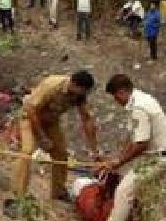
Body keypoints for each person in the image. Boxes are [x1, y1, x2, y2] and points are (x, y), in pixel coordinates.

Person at [96, 74, 166, 221]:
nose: (116, 101)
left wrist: (116, 162)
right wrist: (116, 161)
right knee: (134, 186)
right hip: (154, 153)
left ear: (123, 91)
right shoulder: (137, 100)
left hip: (159, 157)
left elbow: (140, 144)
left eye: (116, 96)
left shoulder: (139, 108)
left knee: (124, 191)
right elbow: (133, 139)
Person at [8, 71, 99, 208]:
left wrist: (94, 151)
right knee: (27, 152)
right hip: (30, 118)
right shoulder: (52, 85)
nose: (81, 95)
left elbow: (87, 119)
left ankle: (58, 192)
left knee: (61, 153)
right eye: (81, 91)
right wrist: (42, 138)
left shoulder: (79, 95)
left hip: (51, 121)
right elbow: (31, 109)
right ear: (74, 84)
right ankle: (18, 194)